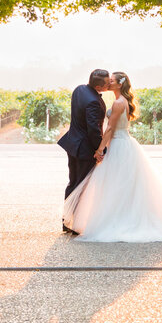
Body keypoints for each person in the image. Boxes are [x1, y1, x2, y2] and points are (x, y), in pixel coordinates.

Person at [63, 72, 162, 242]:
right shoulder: (118, 101)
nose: (108, 84)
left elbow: (110, 129)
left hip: (118, 144)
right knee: (116, 185)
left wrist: (99, 150)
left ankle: (117, 220)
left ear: (119, 85)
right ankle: (88, 219)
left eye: (111, 81)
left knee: (115, 185)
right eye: (107, 81)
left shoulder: (116, 102)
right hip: (118, 143)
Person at [58, 68, 110, 232]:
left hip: (72, 144)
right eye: (107, 83)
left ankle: (67, 220)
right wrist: (100, 150)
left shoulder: (79, 89)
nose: (109, 84)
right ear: (100, 86)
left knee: (73, 182)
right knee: (82, 185)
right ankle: (75, 224)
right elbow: (93, 130)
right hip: (84, 149)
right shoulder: (94, 102)